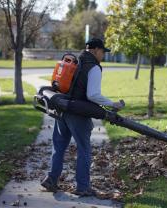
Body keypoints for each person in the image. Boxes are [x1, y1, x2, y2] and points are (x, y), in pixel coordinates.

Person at [41, 38, 124, 196]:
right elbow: (92, 95)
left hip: (62, 108)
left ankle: (51, 179)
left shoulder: (75, 60)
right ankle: (83, 187)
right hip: (78, 113)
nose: (103, 55)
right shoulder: (93, 67)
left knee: (58, 147)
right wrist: (112, 104)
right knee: (84, 150)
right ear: (94, 50)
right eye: (102, 52)